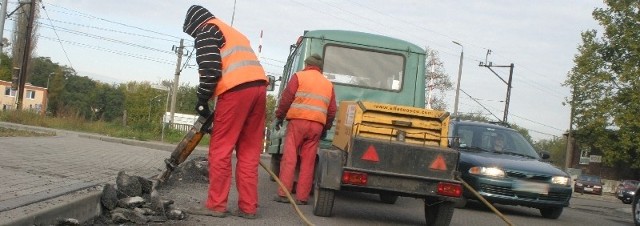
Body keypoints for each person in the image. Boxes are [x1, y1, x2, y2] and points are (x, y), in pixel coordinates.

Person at [182, 5, 267, 219]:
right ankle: (248, 208)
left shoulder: (206, 30)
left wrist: (202, 100)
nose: (194, 36)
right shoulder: (232, 32)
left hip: (236, 90)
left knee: (221, 149)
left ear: (193, 24)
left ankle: (216, 205)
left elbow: (210, 69)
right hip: (259, 89)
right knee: (248, 152)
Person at [272, 54, 337, 205]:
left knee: (290, 158)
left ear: (307, 64)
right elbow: (332, 110)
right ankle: (302, 198)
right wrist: (326, 127)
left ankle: (283, 194)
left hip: (297, 122)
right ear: (320, 68)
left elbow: (286, 98)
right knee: (308, 162)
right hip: (316, 126)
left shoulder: (299, 77)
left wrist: (279, 116)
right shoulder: (328, 84)